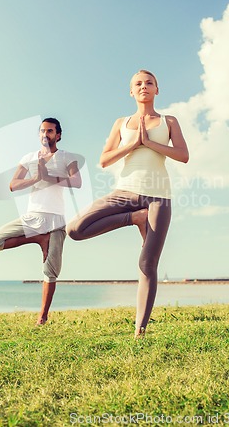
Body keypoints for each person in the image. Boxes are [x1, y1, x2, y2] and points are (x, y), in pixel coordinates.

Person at [67, 70, 188, 338]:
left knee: (147, 264)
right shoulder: (121, 122)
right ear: (131, 92)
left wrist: (150, 144)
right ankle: (134, 218)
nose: (143, 86)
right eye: (138, 84)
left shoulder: (169, 121)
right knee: (75, 228)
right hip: (124, 192)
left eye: (149, 83)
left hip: (158, 196)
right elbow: (105, 159)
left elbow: (183, 155)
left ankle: (139, 331)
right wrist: (133, 143)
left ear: (157, 89)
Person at [0, 118, 82, 325]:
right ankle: (38, 238)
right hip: (32, 216)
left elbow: (77, 182)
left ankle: (42, 317)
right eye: (42, 131)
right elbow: (13, 185)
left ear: (58, 135)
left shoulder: (67, 157)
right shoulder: (29, 157)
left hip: (56, 220)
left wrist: (48, 177)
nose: (45, 135)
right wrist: (36, 178)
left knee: (51, 271)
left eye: (49, 131)